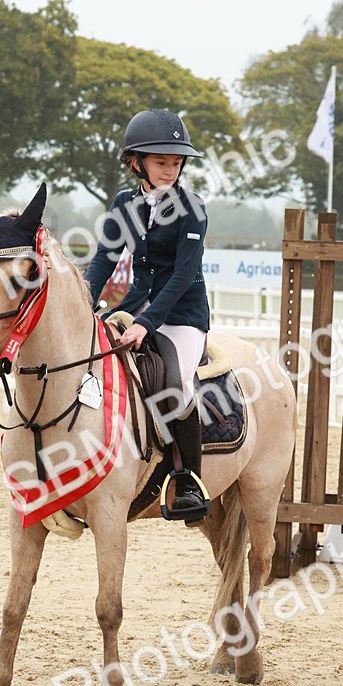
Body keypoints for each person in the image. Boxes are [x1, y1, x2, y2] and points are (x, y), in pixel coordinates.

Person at [85, 108, 211, 520]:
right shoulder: (124, 203)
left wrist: (145, 323)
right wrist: (84, 302)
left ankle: (188, 481)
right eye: (161, 162)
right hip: (138, 303)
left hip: (183, 314)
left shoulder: (192, 207)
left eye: (176, 163)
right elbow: (104, 259)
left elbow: (182, 274)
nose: (170, 170)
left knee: (177, 386)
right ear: (136, 162)